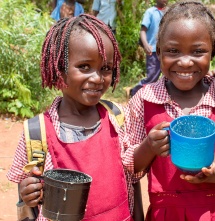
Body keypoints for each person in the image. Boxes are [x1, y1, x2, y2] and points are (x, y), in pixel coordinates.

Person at [7, 14, 139, 221]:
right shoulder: (36, 133)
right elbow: (25, 191)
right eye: (84, 67)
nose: (97, 78)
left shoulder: (118, 118)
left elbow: (133, 180)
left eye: (105, 68)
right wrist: (27, 192)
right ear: (59, 68)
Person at [123, 1, 215, 220]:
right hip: (165, 213)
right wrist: (149, 146)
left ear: (212, 53)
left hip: (214, 213)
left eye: (198, 51)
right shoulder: (144, 100)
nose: (185, 62)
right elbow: (128, 167)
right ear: (158, 52)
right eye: (173, 51)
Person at [129, 0, 168, 97]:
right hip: (153, 51)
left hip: (166, 51)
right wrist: (145, 45)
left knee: (167, 76)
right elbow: (143, 30)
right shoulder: (150, 12)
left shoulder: (168, 12)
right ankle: (134, 92)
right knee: (152, 77)